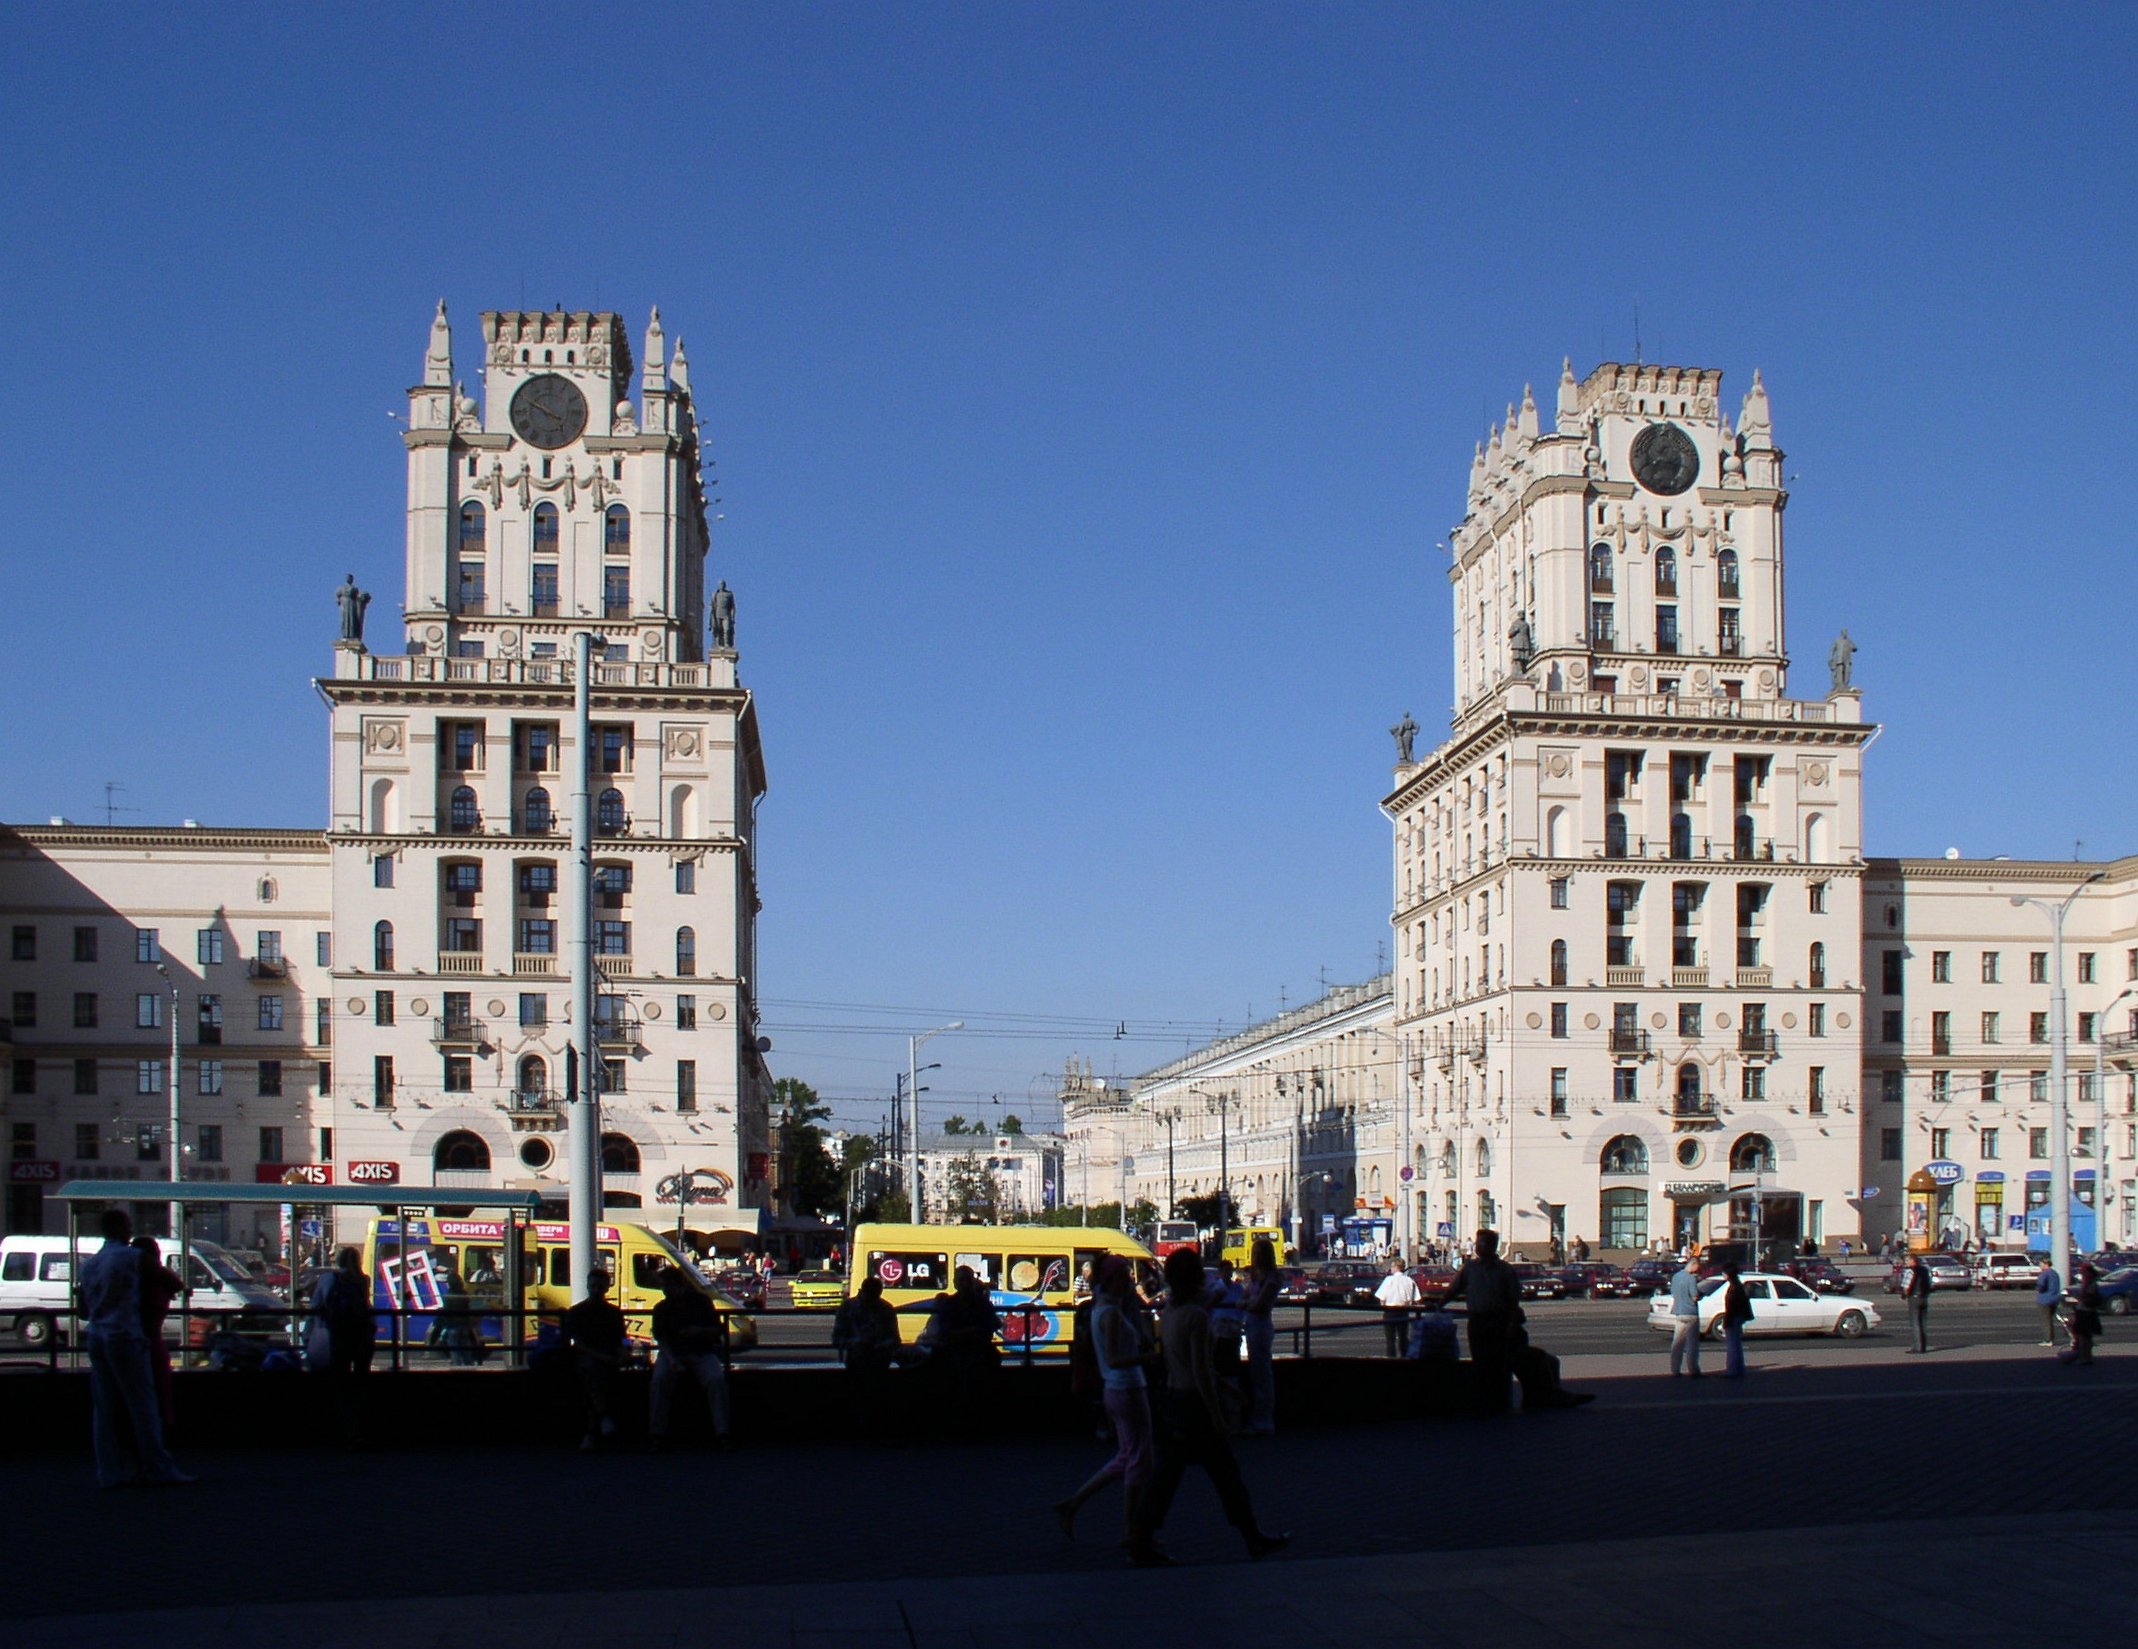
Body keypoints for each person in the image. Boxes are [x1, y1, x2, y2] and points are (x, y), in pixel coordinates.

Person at [1130, 1248, 1288, 1567]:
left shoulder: (1171, 1310)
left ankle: (1140, 1538)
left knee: (1166, 1477)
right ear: (1196, 1278)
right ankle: (1252, 1537)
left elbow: (1185, 1363)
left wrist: (1227, 1389)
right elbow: (1202, 1370)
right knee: (1225, 1474)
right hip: (1195, 1406)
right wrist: (1218, 1413)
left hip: (1174, 1400)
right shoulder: (1197, 1316)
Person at [81, 1209, 193, 1488]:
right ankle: (158, 1467)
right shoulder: (133, 1257)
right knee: (142, 1405)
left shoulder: (91, 1263)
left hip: (97, 1336)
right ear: (121, 1228)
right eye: (128, 1225)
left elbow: (84, 1309)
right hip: (126, 1336)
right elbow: (174, 1283)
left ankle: (109, 1471)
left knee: (104, 1408)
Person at [1052, 1257, 1159, 1546]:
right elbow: (1115, 1359)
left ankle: (1074, 1502)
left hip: (1118, 1389)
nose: (1129, 1281)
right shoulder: (1111, 1313)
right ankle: (1130, 1530)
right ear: (1112, 1281)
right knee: (1139, 1459)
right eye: (1125, 1276)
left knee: (1128, 1455)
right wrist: (1150, 1357)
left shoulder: (1104, 1309)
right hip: (1127, 1388)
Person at [1439, 1229, 1522, 1413]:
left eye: (1481, 1243)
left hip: (1498, 1321)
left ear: (1492, 1246)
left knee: (1498, 1363)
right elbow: (1454, 1289)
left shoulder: (1504, 1270)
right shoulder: (1471, 1268)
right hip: (1477, 1321)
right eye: (1477, 1243)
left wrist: (1511, 1324)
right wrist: (1439, 1303)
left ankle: (1499, 1403)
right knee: (1480, 1362)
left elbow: (1514, 1299)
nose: (1477, 1247)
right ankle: (1484, 1402)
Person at [649, 1269, 732, 1449]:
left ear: (678, 1285)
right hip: (683, 1354)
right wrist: (672, 1360)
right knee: (659, 1380)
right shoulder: (664, 1307)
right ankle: (656, 1433)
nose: (665, 1291)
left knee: (716, 1379)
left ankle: (723, 1432)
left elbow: (716, 1330)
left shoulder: (699, 1303)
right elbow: (661, 1339)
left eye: (667, 1286)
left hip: (697, 1352)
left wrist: (698, 1332)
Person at [307, 1247, 377, 1445]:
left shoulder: (329, 1279)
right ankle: (362, 1431)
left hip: (340, 1336)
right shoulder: (363, 1280)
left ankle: (345, 1432)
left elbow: (317, 1306)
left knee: (341, 1385)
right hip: (362, 1337)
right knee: (362, 1383)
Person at [562, 1270, 628, 1450]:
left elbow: (621, 1338)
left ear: (606, 1288)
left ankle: (594, 1428)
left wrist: (622, 1351)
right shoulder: (605, 1313)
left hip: (596, 1357)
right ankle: (603, 1419)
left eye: (599, 1286)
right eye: (594, 1286)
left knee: (593, 1381)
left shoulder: (578, 1312)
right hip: (589, 1357)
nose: (596, 1290)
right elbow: (581, 1344)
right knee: (596, 1376)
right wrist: (614, 1353)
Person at [132, 1236, 182, 1430]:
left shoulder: (135, 1281)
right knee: (159, 1392)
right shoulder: (160, 1281)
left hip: (134, 1343)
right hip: (154, 1343)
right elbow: (176, 1284)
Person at [1241, 1237, 1280, 1435]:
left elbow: (1260, 1304)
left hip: (1261, 1326)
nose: (1254, 1257)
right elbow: (1246, 1297)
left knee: (1262, 1373)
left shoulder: (1272, 1277)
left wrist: (1246, 1304)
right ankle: (1259, 1418)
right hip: (1251, 1324)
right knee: (1257, 1373)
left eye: (1258, 1254)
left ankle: (1264, 1420)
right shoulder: (1257, 1276)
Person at [1206, 1259, 1247, 1376]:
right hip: (1218, 1327)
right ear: (1220, 1272)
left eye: (1230, 1270)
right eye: (1226, 1270)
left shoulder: (1238, 1288)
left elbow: (1242, 1306)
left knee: (1233, 1356)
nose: (1228, 1273)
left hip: (1233, 1327)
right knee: (1219, 1357)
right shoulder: (1214, 1288)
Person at [1375, 1255, 1421, 1358]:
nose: (1390, 1269)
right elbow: (1417, 1299)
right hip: (1404, 1311)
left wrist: (1383, 1308)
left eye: (1391, 1266)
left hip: (1390, 1311)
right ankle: (1404, 1357)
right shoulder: (1409, 1280)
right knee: (1403, 1338)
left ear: (1396, 1266)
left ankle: (1391, 1358)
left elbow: (1381, 1298)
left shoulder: (1388, 1280)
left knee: (1390, 1340)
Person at [1666, 1259, 1704, 1378]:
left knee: (1677, 1342)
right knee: (1692, 1344)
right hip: (1690, 1313)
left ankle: (1675, 1369)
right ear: (1693, 1264)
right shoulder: (1690, 1278)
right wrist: (1700, 1295)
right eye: (1697, 1267)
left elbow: (1673, 1293)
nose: (1697, 1271)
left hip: (1679, 1311)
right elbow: (1694, 1296)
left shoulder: (1676, 1277)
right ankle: (1693, 1370)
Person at [2060, 1265, 2104, 1366]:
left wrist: (2081, 1298)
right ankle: (2085, 1356)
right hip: (2085, 1311)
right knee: (2084, 1336)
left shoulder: (2091, 1284)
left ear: (2089, 1273)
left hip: (2086, 1312)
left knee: (2084, 1336)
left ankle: (2085, 1357)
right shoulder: (2089, 1283)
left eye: (2084, 1272)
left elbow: (2086, 1297)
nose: (2082, 1274)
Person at [1720, 1264, 1753, 1378]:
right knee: (1736, 1344)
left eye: (1724, 1273)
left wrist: (1726, 1320)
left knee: (1732, 1344)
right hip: (1739, 1316)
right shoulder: (1738, 1286)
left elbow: (1731, 1306)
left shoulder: (1733, 1288)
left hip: (1734, 1316)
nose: (1722, 1274)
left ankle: (1732, 1370)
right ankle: (1739, 1369)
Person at [1903, 1252, 1932, 1353]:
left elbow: (1906, 1286)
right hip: (1924, 1297)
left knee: (1915, 1322)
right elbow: (1929, 1283)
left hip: (1914, 1298)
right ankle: (1923, 1346)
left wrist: (1904, 1295)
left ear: (1912, 1261)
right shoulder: (1925, 1270)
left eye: (1907, 1260)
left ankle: (1917, 1347)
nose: (1905, 1262)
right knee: (1923, 1322)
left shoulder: (1910, 1271)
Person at [2035, 1257, 2063, 1348]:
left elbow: (2041, 1285)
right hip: (2054, 1299)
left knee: (2045, 1320)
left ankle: (2048, 1340)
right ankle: (2050, 1338)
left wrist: (2038, 1289)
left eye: (2041, 1264)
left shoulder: (2044, 1274)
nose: (2040, 1265)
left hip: (2045, 1299)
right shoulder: (2055, 1273)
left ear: (2045, 1264)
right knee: (2050, 1319)